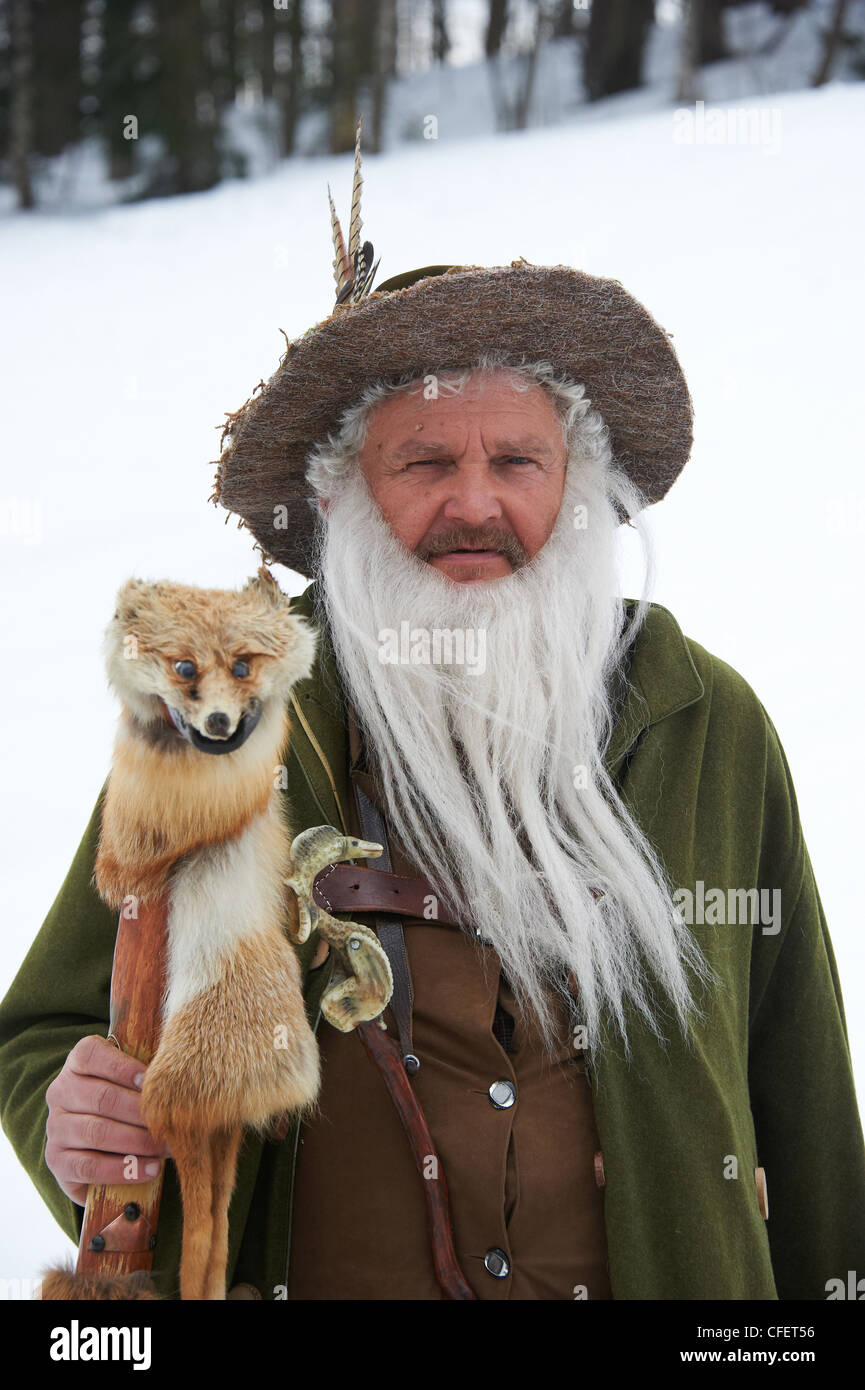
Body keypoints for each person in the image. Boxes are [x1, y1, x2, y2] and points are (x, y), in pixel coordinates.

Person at [2, 197, 864, 1300]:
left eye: (517, 459)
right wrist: (68, 1115)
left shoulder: (709, 727)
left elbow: (805, 1106)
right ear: (342, 492)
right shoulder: (224, 738)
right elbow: (47, 1035)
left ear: (575, 487)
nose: (474, 503)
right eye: (422, 462)